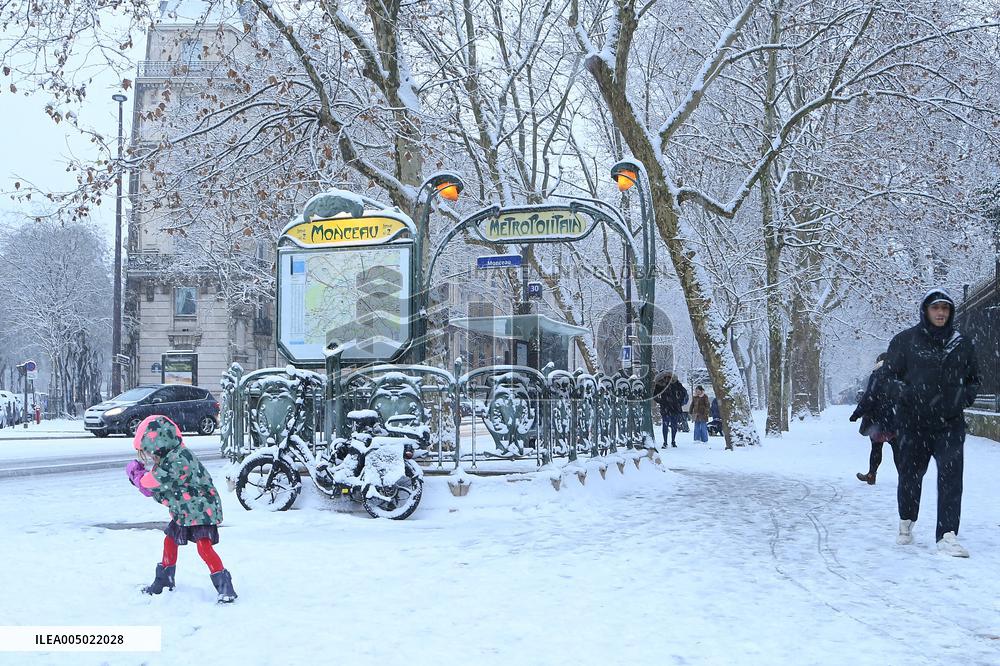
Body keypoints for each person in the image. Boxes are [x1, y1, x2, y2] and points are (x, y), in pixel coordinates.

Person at [884, 288, 979, 557]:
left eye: (945, 309)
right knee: (911, 477)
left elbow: (974, 379)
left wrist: (963, 398)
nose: (940, 313)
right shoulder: (905, 341)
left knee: (951, 478)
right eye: (935, 308)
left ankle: (947, 535)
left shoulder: (962, 343)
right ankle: (906, 521)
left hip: (949, 423)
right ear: (925, 310)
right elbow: (887, 378)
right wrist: (906, 394)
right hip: (913, 423)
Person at [126, 415, 238, 602]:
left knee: (204, 547)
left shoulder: (178, 459)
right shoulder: (170, 456)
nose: (150, 457)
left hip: (201, 509)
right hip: (185, 510)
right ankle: (164, 580)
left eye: (149, 452)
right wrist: (141, 480)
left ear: (159, 444)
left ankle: (225, 586)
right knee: (170, 540)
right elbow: (162, 490)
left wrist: (137, 478)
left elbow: (154, 483)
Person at [849, 352, 899, 485]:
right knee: (897, 448)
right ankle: (905, 476)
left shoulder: (877, 375)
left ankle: (871, 475)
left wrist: (857, 413)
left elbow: (869, 397)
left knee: (876, 448)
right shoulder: (899, 375)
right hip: (896, 419)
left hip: (878, 419)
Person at [653, 371, 688, 448]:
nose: (667, 378)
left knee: (673, 425)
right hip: (666, 407)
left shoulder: (676, 384)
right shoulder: (660, 385)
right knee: (666, 425)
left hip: (674, 407)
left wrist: (679, 401)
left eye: (669, 377)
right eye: (666, 377)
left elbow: (683, 392)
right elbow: (654, 395)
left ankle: (673, 441)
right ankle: (665, 442)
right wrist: (661, 401)